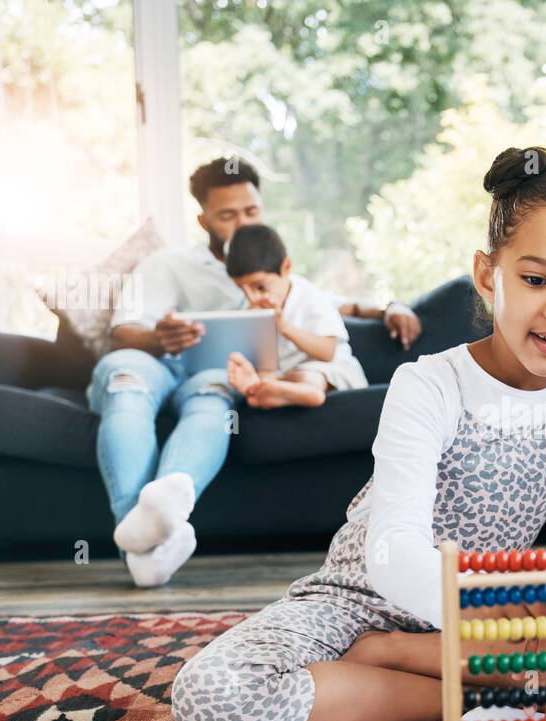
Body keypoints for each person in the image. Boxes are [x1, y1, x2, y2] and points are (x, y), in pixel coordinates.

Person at [172, 146, 546, 721]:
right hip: (364, 607)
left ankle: (420, 662)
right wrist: (485, 619)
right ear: (486, 274)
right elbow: (394, 553)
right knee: (214, 692)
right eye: (534, 279)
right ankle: (491, 690)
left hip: (494, 625)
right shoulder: (429, 383)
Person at [88, 157, 420, 586]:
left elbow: (324, 303)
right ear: (203, 219)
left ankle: (160, 525)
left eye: (251, 211)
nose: (242, 222)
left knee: (213, 399)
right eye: (227, 215)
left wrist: (390, 306)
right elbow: (123, 333)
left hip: (210, 379)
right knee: (124, 381)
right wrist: (160, 338)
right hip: (151, 364)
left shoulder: (265, 259)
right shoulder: (168, 264)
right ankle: (139, 545)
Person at [222, 224, 369, 409]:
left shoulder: (310, 297)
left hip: (329, 370)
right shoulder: (250, 310)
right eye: (242, 289)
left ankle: (308, 393)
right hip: (285, 375)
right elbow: (264, 361)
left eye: (260, 287)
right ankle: (264, 390)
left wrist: (283, 327)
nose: (253, 297)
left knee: (309, 375)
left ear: (286, 267)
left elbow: (327, 352)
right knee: (266, 375)